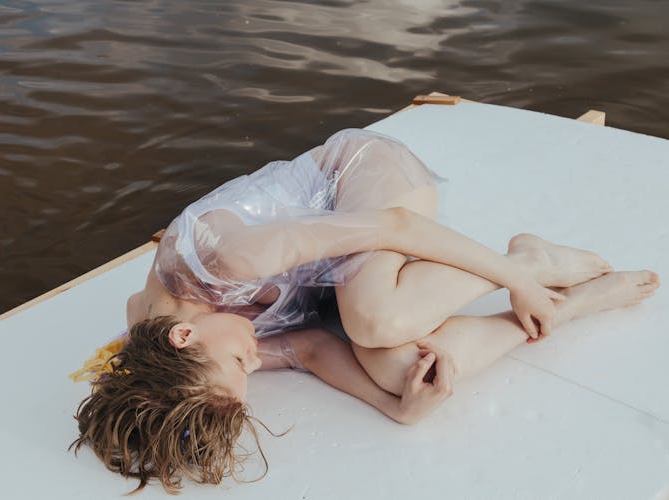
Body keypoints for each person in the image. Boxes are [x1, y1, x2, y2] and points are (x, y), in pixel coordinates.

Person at [68, 128, 660, 495]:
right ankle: (576, 307)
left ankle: (529, 263)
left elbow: (396, 226)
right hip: (325, 277)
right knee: (406, 366)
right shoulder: (184, 358)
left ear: (183, 335)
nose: (254, 357)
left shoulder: (226, 257)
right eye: (250, 370)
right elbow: (306, 348)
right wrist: (398, 407)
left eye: (239, 360)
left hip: (364, 183)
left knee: (374, 320)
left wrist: (514, 282)